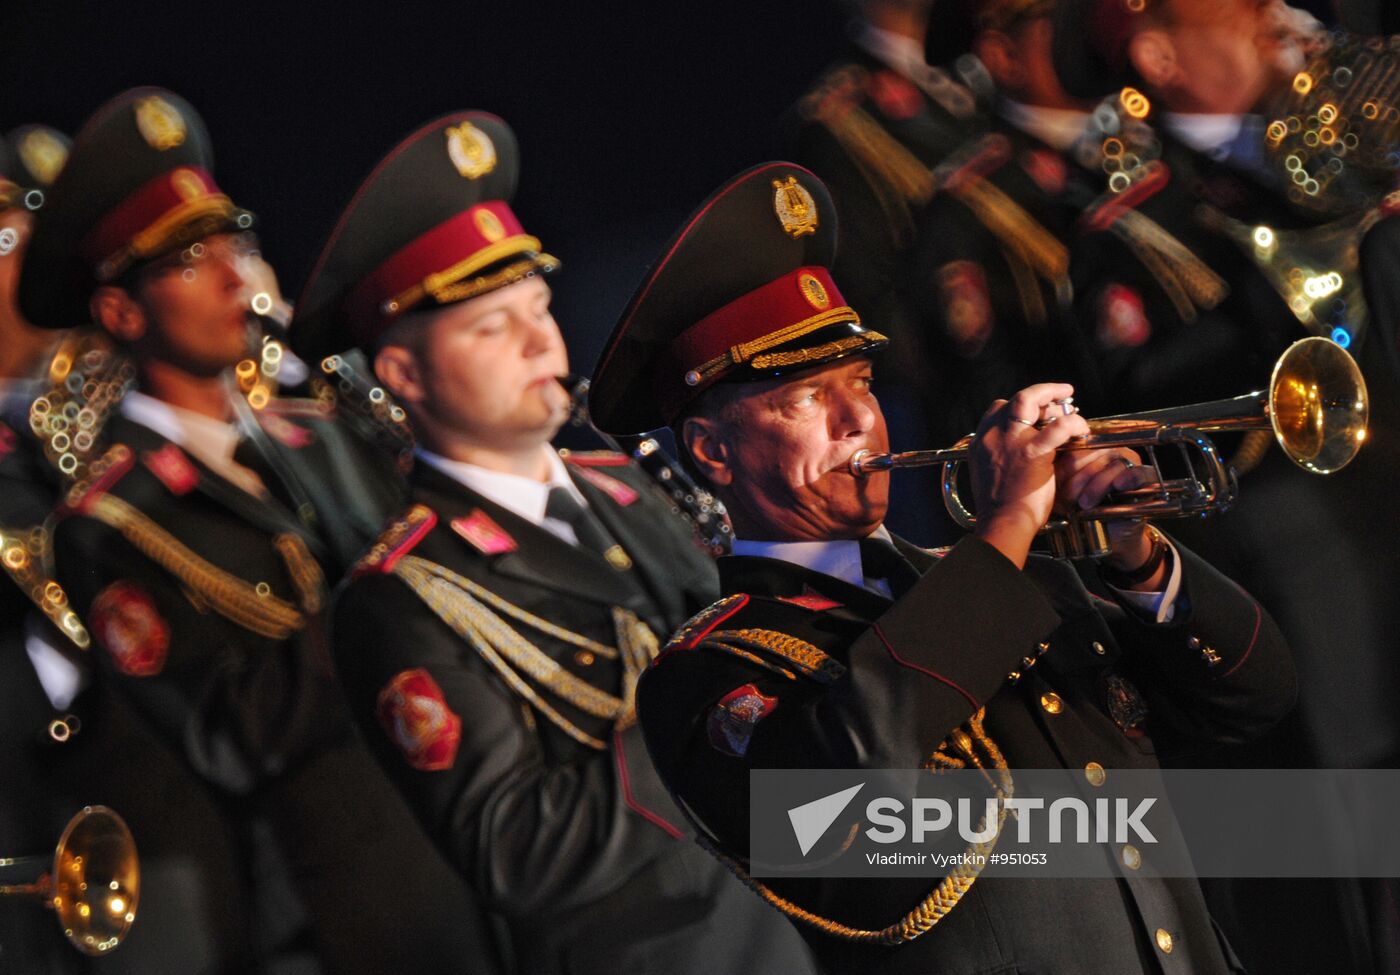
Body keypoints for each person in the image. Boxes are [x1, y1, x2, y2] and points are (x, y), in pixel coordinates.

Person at [586, 160, 1295, 973]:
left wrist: (1135, 553)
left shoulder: (1017, 581)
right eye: (805, 398)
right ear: (713, 451)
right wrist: (1006, 528)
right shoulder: (708, 671)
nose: (861, 419)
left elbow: (1254, 698)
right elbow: (853, 839)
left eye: (860, 380)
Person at [289, 112, 817, 974]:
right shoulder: (401, 594)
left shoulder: (618, 481)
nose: (542, 337)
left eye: (537, 305)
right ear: (404, 375)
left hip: (797, 918)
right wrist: (702, 712)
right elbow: (518, 850)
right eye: (492, 327)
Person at [17, 87, 492, 974]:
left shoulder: (320, 430)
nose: (241, 276)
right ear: (122, 314)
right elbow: (230, 737)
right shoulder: (110, 520)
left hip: (480, 825)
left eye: (238, 244)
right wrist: (387, 604)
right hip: (359, 886)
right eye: (194, 261)